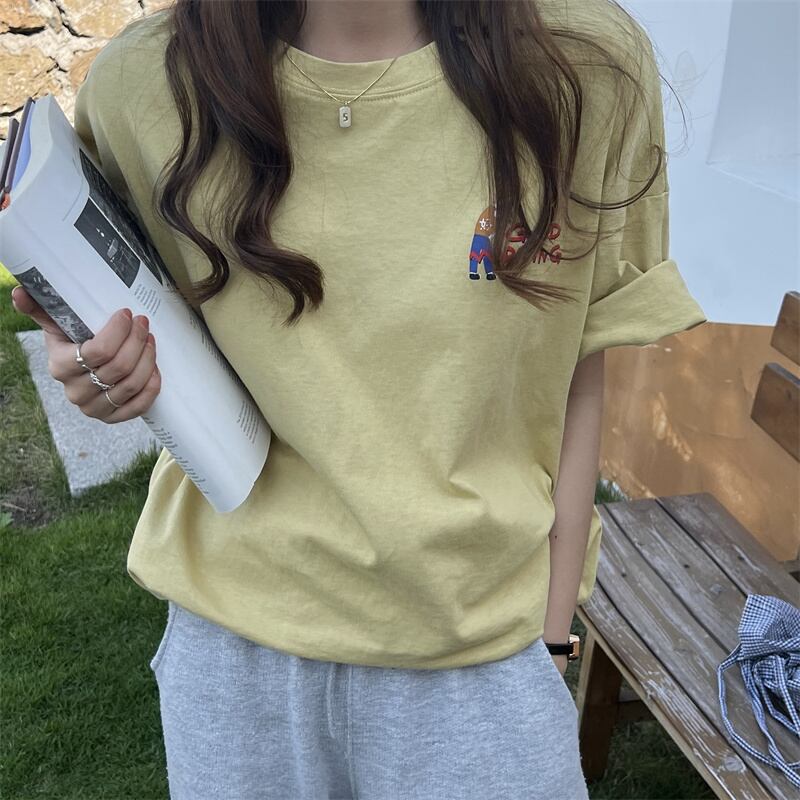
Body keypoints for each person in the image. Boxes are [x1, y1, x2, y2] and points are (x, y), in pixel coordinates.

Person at [10, 1, 707, 798]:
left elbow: (582, 367)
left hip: (482, 655)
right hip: (236, 656)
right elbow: (129, 319)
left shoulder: (585, 65)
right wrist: (96, 367)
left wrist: (553, 643)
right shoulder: (145, 85)